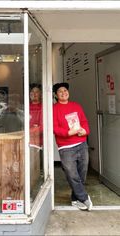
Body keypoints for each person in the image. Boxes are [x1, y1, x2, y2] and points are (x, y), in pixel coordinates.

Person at [52, 82, 93, 211]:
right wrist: (67, 133)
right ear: (56, 95)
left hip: (81, 143)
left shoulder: (76, 106)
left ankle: (75, 199)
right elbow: (54, 127)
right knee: (71, 173)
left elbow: (84, 122)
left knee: (82, 172)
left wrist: (85, 131)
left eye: (65, 90)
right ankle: (84, 197)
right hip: (66, 147)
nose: (63, 93)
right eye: (60, 91)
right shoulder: (54, 109)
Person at [29, 84, 43, 148]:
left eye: (37, 92)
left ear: (40, 94)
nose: (34, 94)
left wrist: (30, 130)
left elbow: (43, 126)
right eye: (32, 92)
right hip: (28, 139)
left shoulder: (43, 106)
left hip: (40, 139)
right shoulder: (26, 107)